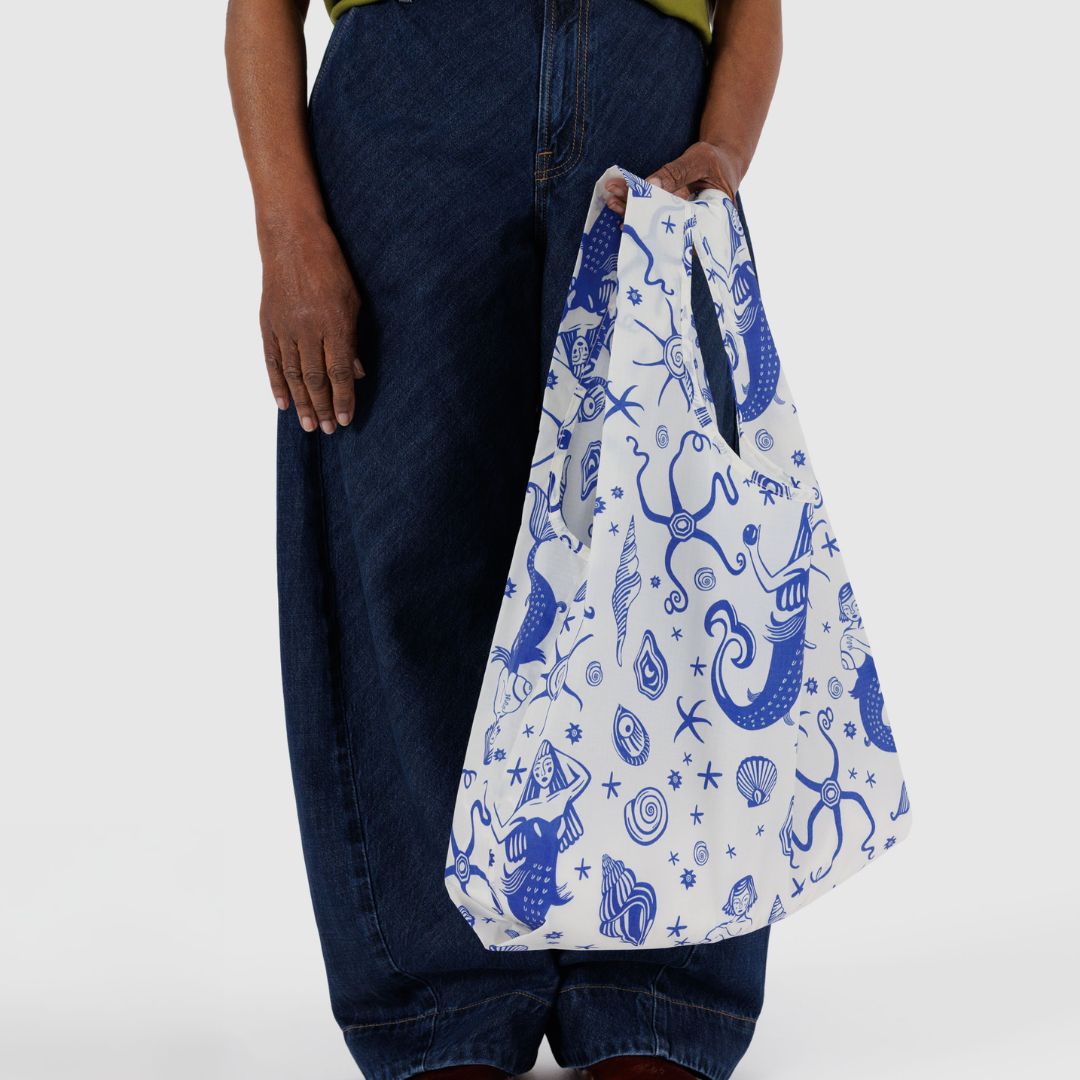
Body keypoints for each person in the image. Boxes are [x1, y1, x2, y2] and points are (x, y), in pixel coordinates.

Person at [225, 2, 783, 1079]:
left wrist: (724, 145)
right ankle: (443, 1000)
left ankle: (654, 988)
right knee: (407, 547)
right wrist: (286, 227)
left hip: (650, 112)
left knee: (665, 559)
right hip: (408, 93)